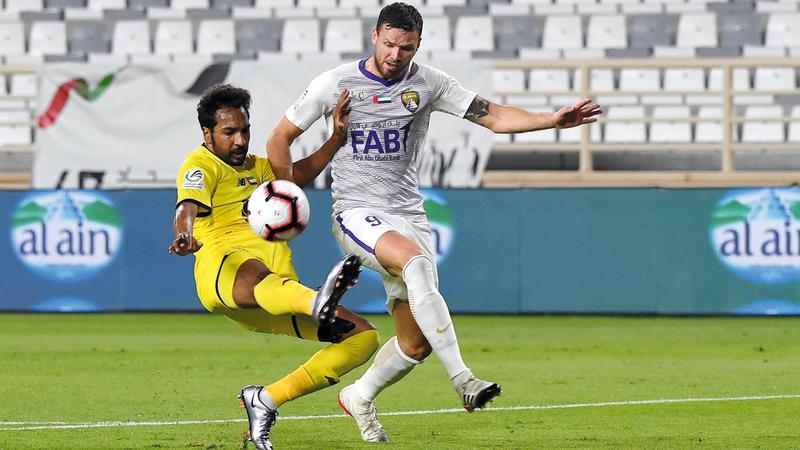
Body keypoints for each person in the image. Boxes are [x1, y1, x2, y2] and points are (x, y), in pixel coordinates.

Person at [266, 2, 603, 443]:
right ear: (374, 36)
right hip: (356, 211)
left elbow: (495, 116)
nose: (395, 55)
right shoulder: (334, 83)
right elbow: (280, 137)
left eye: (405, 48)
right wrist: (286, 191)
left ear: (418, 44)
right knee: (415, 263)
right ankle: (463, 379)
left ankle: (358, 396)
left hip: (409, 213)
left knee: (415, 344)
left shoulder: (429, 83)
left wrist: (552, 120)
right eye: (389, 44)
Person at [168, 84, 380, 450]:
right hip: (223, 270)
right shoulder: (200, 165)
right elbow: (186, 207)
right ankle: (315, 302)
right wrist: (183, 235)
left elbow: (296, 175)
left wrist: (335, 139)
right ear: (207, 133)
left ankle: (266, 399)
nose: (240, 140)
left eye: (244, 130)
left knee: (363, 337)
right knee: (254, 271)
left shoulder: (259, 169)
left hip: (275, 295)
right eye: (229, 132)